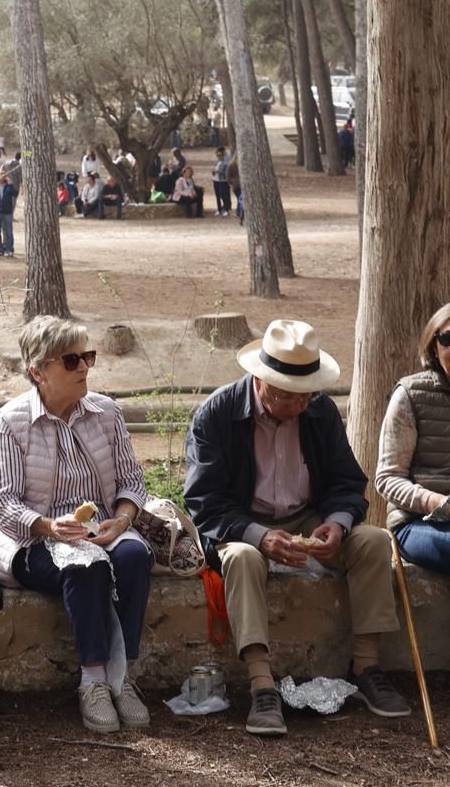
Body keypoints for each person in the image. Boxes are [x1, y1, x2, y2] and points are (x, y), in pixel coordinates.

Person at [184, 320, 410, 736]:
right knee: (243, 558)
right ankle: (261, 684)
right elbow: (205, 503)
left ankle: (367, 666)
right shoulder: (217, 414)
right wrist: (259, 536)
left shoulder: (318, 410)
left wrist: (338, 523)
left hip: (308, 516)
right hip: (242, 522)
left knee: (374, 541)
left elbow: (346, 481)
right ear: (261, 381)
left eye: (305, 395)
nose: (299, 407)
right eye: (288, 397)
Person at [0, 316, 152, 734]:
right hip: (32, 540)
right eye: (72, 360)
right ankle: (94, 681)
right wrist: (47, 526)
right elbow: (3, 504)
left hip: (103, 530)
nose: (84, 369)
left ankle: (121, 676)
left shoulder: (106, 412)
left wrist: (123, 519)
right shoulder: (10, 422)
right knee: (86, 565)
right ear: (38, 371)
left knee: (133, 555)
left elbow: (133, 481)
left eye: (87, 357)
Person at [378, 303, 450, 574]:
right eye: (448, 339)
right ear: (434, 347)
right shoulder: (410, 395)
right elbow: (387, 479)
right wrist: (438, 503)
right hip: (419, 523)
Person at [211, 147, 233, 217]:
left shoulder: (225, 163)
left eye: (220, 155)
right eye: (217, 155)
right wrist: (213, 172)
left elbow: (226, 172)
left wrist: (219, 172)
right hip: (216, 180)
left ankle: (226, 209)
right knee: (217, 195)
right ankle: (219, 209)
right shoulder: (215, 162)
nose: (218, 157)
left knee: (223, 195)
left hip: (222, 180)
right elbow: (213, 170)